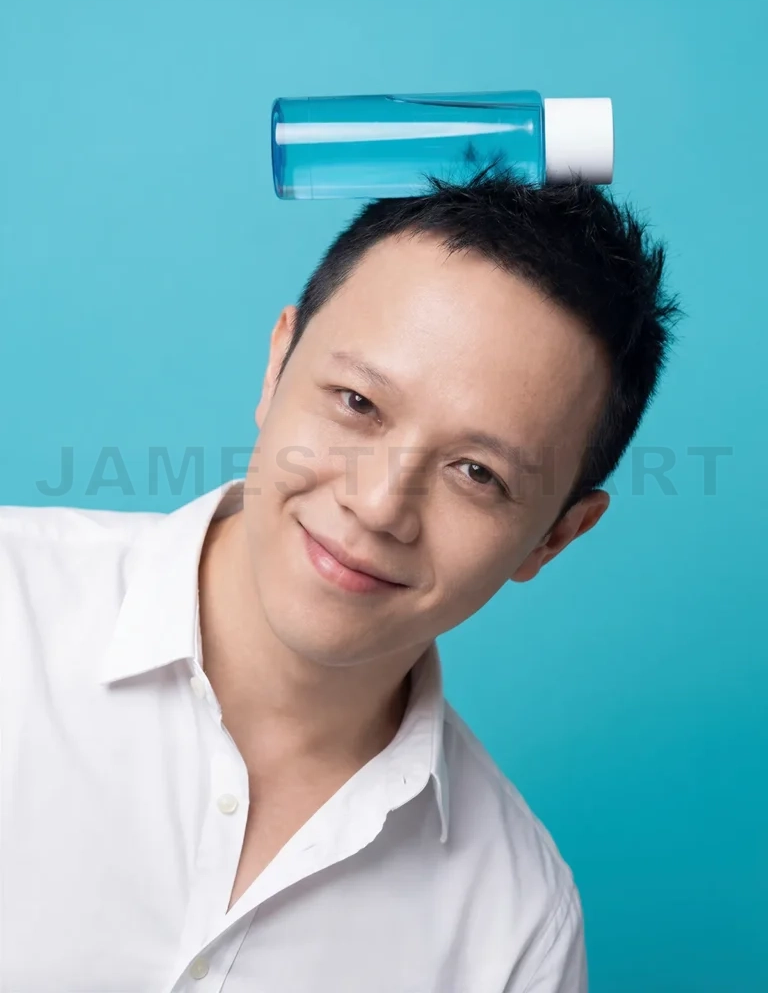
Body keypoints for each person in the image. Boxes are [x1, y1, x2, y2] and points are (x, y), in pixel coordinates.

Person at [0, 166, 682, 992]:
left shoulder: (518, 927)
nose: (379, 505)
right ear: (277, 364)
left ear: (555, 538)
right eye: (358, 403)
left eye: (477, 472)